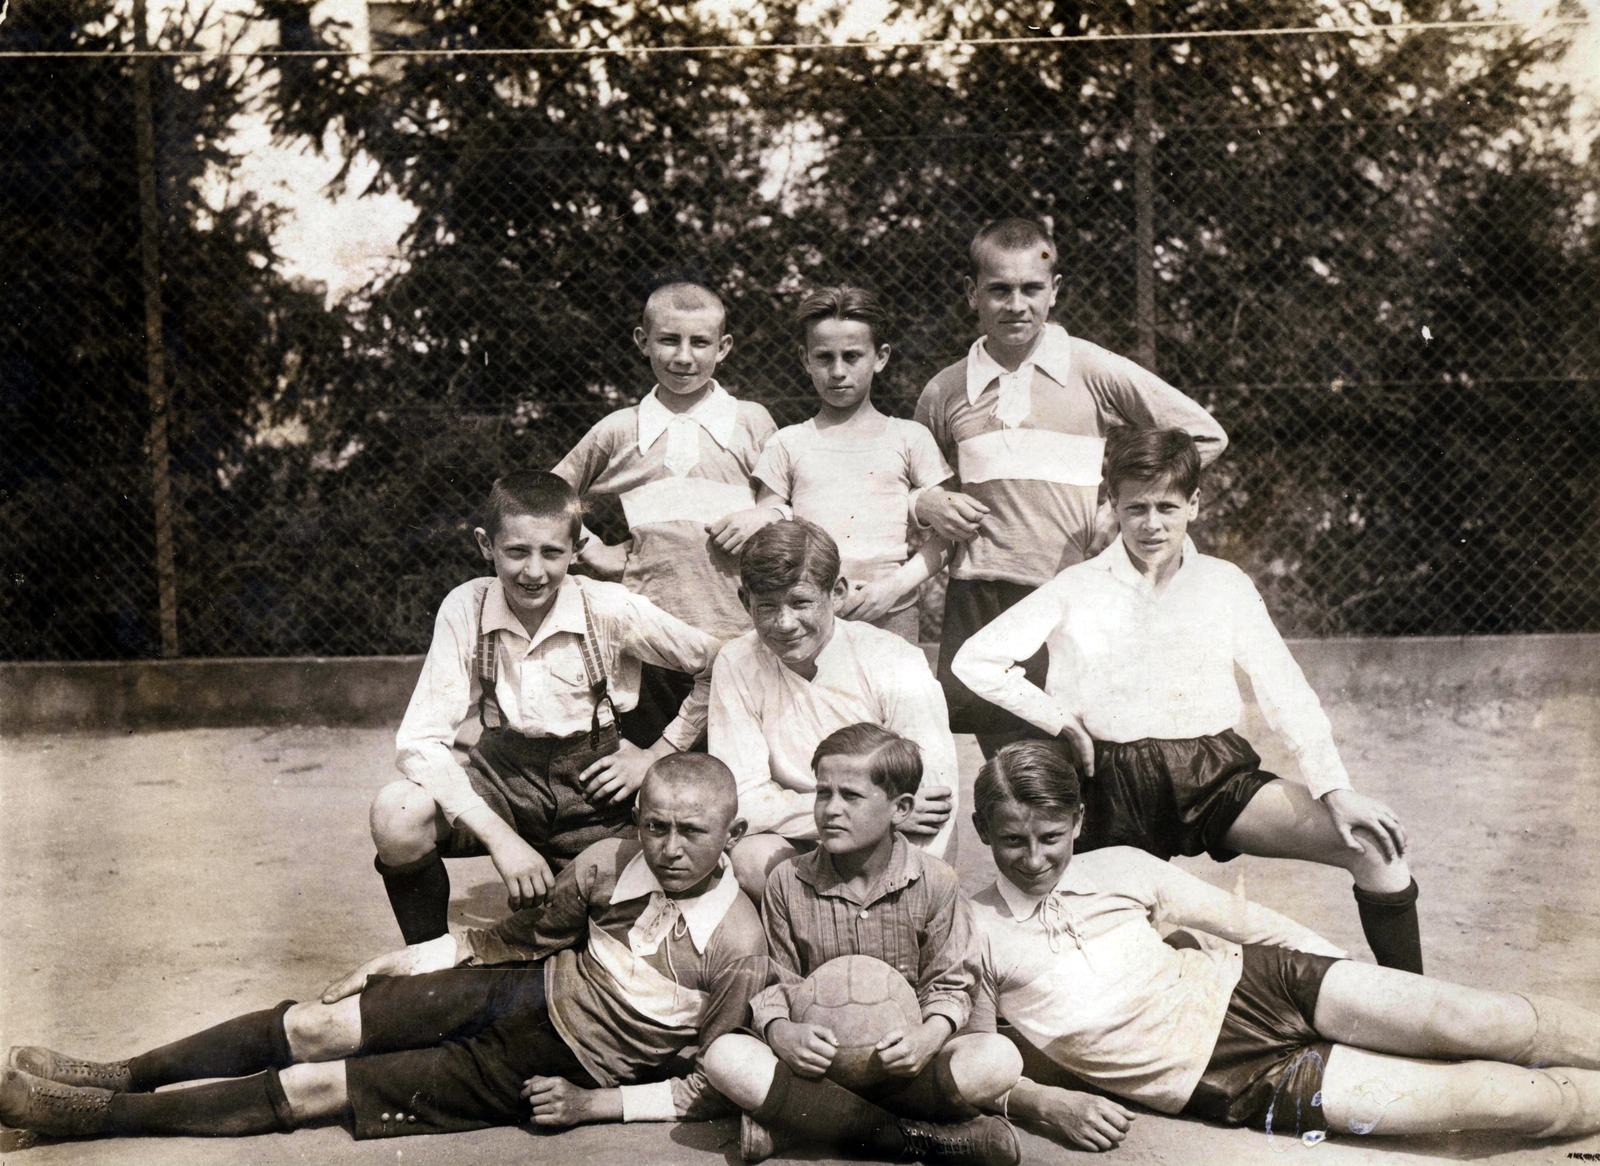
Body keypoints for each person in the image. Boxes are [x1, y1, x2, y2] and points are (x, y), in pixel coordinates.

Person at [0, 756, 773, 1142]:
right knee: (313, 1023)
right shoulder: (608, 863)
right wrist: (400, 962)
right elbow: (509, 941)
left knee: (317, 1088)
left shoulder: (737, 945)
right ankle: (120, 1071)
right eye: (655, 826)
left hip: (562, 1065)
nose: (668, 848)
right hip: (522, 990)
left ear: (731, 837)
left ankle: (93, 1118)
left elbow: (712, 1077)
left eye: (692, 832)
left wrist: (594, 1105)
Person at [965, 741, 1600, 1149]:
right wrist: (1041, 1102)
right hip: (1229, 1075)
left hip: (1264, 982)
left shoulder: (1120, 867)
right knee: (1489, 1099)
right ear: (983, 833)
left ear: (1077, 822)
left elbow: (1247, 923)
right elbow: (966, 1050)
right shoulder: (971, 929)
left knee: (1471, 1018)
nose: (1035, 858)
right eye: (1012, 842)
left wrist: (1341, 975)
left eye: (1051, 836)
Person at [952, 427, 1426, 972]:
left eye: (1167, 507)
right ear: (1112, 505)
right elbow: (975, 660)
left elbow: (1285, 690)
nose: (1152, 524)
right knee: (1093, 949)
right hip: (1108, 784)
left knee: (1372, 846)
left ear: (1194, 504)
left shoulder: (1224, 584)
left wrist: (1335, 788)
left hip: (1213, 775)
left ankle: (1412, 997)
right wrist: (1062, 723)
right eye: (1136, 508)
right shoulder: (1077, 586)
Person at [913, 217, 1228, 756]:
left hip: (1075, 593)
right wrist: (927, 502)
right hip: (984, 596)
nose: (1017, 305)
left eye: (1031, 289)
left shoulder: (1091, 368)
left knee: (1099, 753)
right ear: (973, 294)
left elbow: (1203, 433)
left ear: (1054, 292)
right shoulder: (944, 390)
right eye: (999, 290)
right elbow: (914, 477)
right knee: (1015, 767)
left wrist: (1120, 507)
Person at [371, 471, 723, 945]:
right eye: (516, 551)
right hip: (503, 780)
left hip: (597, 793)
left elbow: (717, 664)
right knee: (396, 812)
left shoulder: (609, 607)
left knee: (613, 933)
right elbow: (419, 742)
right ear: (486, 545)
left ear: (576, 550)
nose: (533, 571)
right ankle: (425, 963)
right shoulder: (466, 606)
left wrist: (655, 753)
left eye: (552, 552)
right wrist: (501, 840)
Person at [702, 724, 1024, 1166]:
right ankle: (925, 1139)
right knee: (725, 1057)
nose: (830, 810)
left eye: (851, 796)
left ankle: (803, 1128)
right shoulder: (787, 882)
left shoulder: (935, 881)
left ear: (901, 808)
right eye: (822, 793)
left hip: (905, 1070)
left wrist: (928, 1037)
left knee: (999, 1059)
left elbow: (950, 984)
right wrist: (782, 1032)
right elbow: (778, 981)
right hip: (818, 1071)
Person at [553, 279, 780, 745]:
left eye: (699, 343)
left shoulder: (750, 420)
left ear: (724, 348)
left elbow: (788, 495)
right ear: (643, 341)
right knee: (654, 763)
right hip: (652, 635)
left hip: (740, 629)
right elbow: (546, 495)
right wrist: (592, 549)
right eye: (668, 340)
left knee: (737, 763)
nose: (683, 357)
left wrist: (762, 515)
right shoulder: (620, 429)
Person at [710, 519, 960, 900]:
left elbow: (933, 801)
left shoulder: (894, 659)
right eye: (766, 606)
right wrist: (859, 813)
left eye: (800, 602)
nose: (784, 623)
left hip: (891, 847)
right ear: (745, 601)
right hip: (808, 842)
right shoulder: (736, 661)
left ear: (837, 592)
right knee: (750, 857)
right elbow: (742, 800)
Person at [744, 286, 953, 644]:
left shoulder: (909, 437)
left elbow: (948, 534)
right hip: (809, 616)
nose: (838, 371)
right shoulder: (788, 442)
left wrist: (893, 587)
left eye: (852, 356)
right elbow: (769, 538)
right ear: (805, 359)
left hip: (891, 610)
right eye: (824, 357)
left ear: (881, 357)